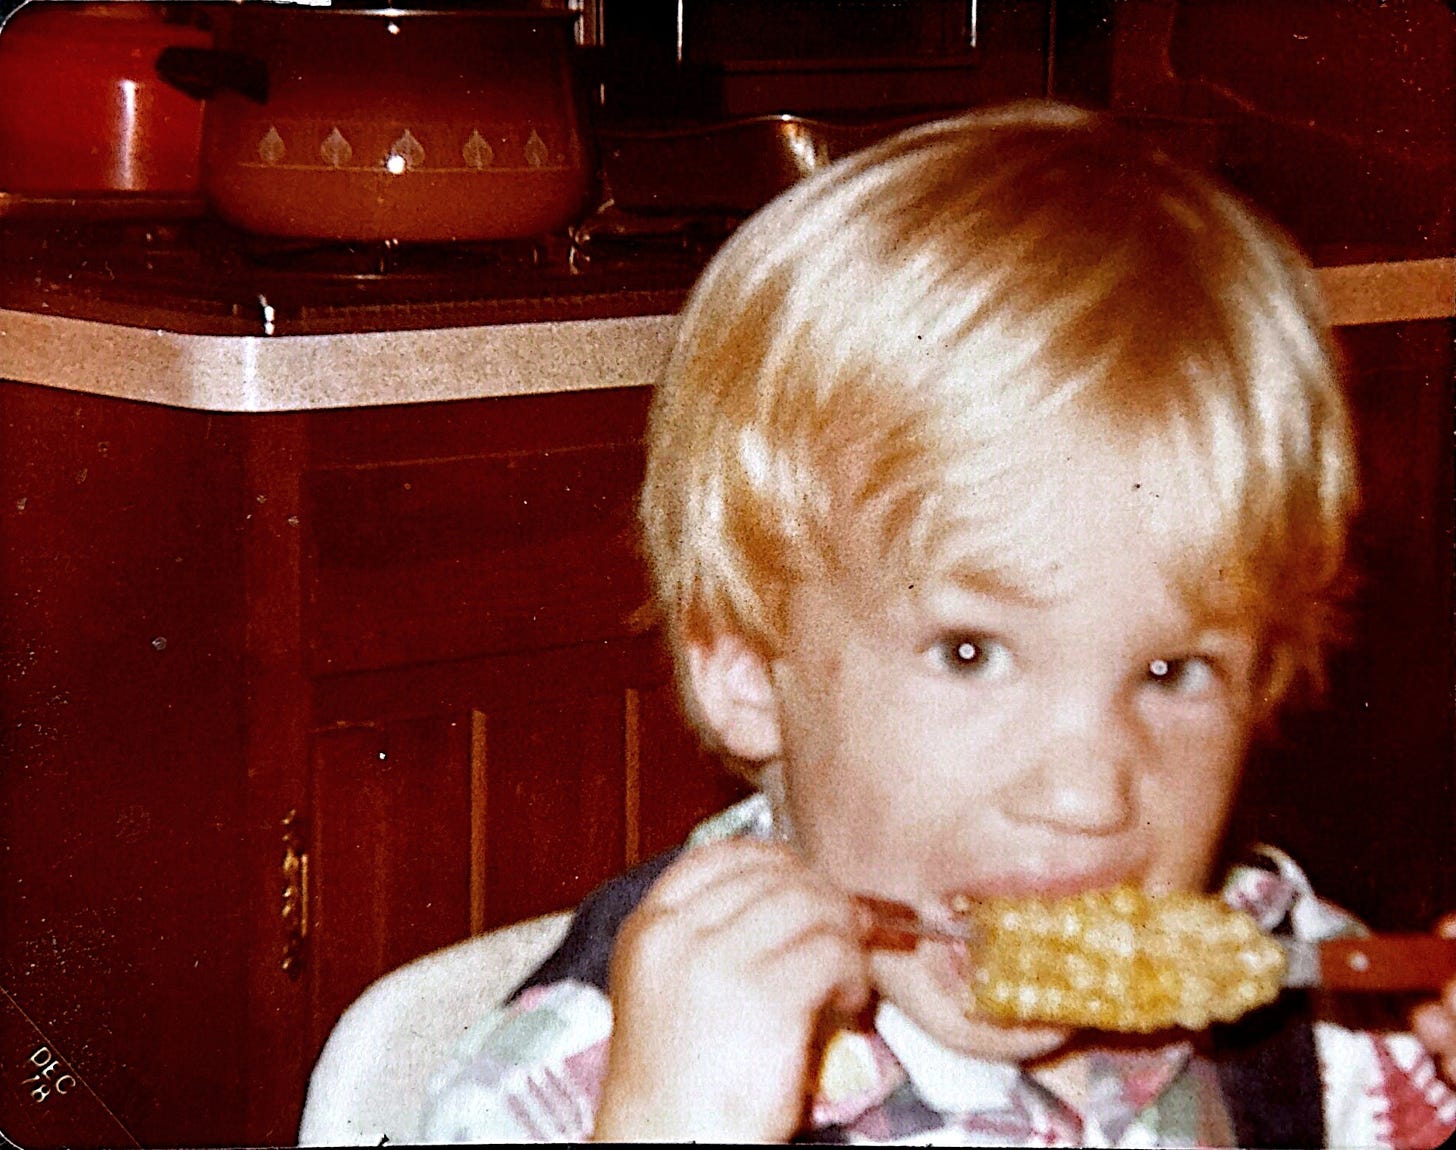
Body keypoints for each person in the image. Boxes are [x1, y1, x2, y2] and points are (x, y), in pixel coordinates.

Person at [418, 101, 1456, 1145]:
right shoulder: (579, 1089)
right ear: (745, 665)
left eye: (1174, 670)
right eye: (972, 653)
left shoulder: (1329, 1034)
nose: (1087, 795)